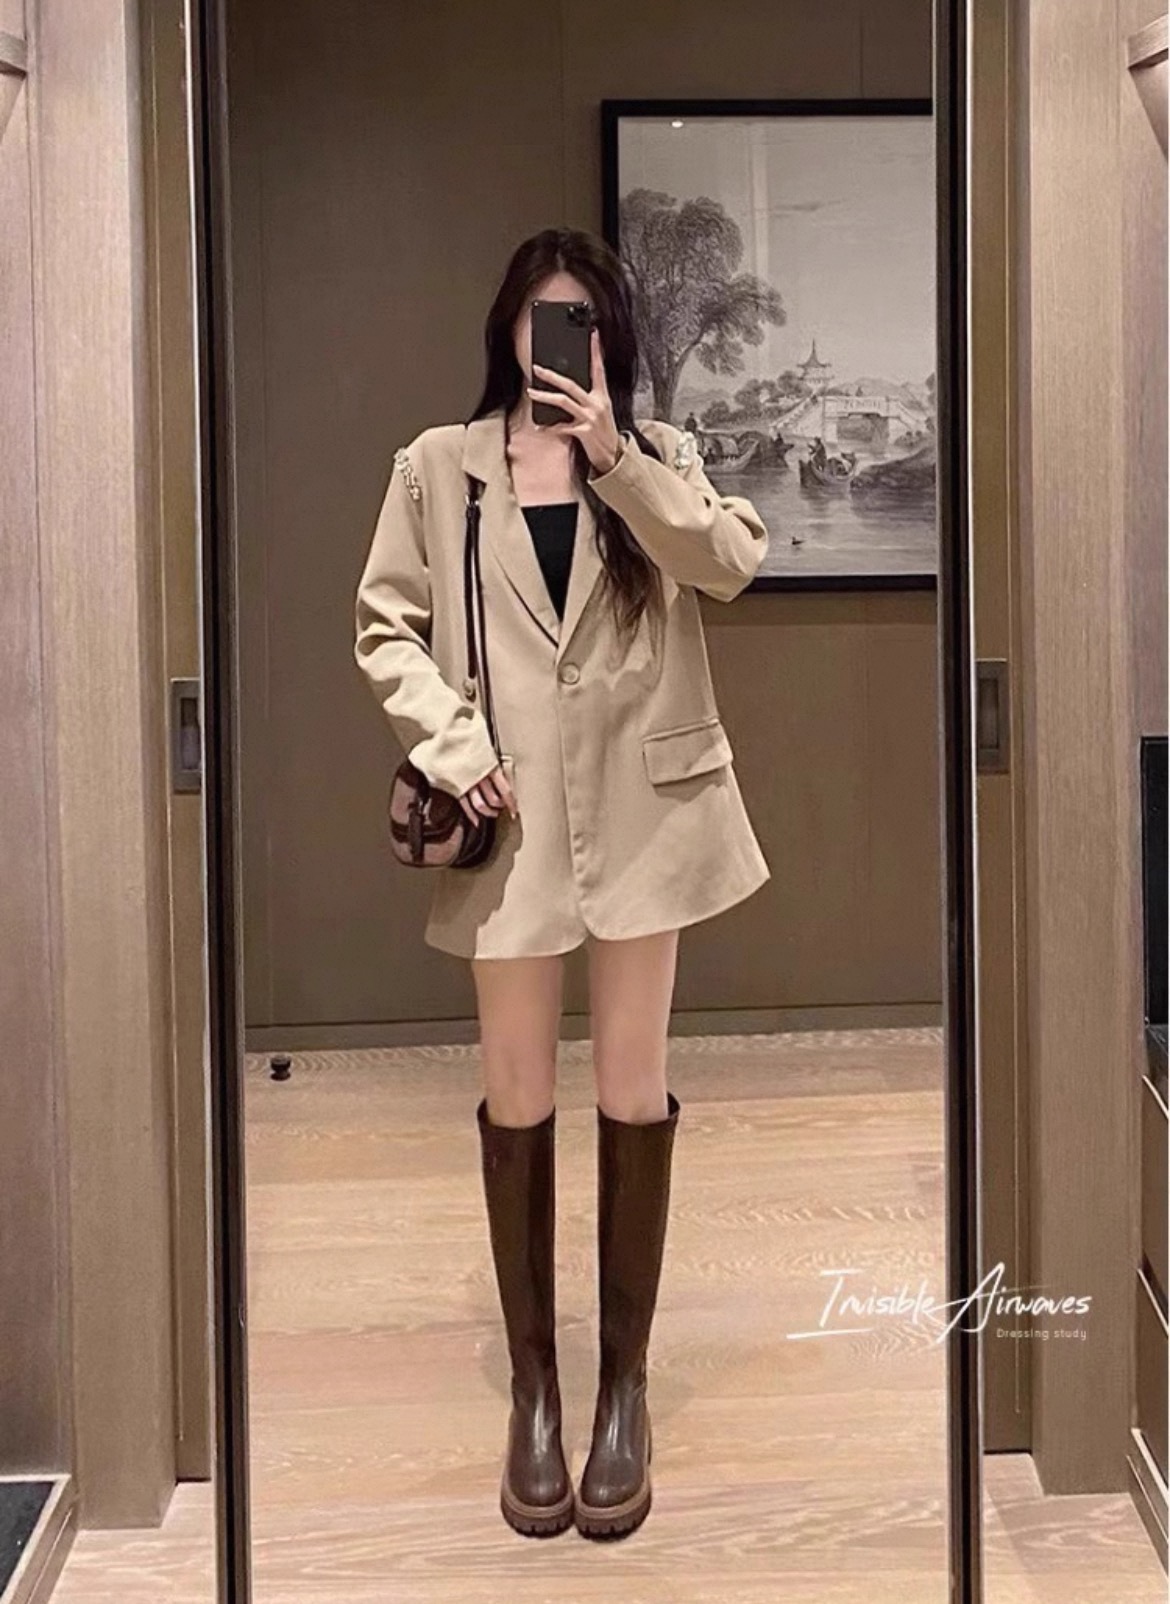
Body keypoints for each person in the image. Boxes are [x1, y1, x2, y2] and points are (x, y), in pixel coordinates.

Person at [353, 227, 771, 1539]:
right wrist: (453, 745)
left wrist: (615, 458)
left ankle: (621, 1388)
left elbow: (729, 563)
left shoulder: (657, 457)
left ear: (610, 341)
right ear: (505, 328)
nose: (558, 344)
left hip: (647, 813)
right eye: (540, 318)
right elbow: (385, 624)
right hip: (513, 817)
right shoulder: (439, 467)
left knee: (632, 1089)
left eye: (580, 321)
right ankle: (535, 1392)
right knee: (517, 1094)